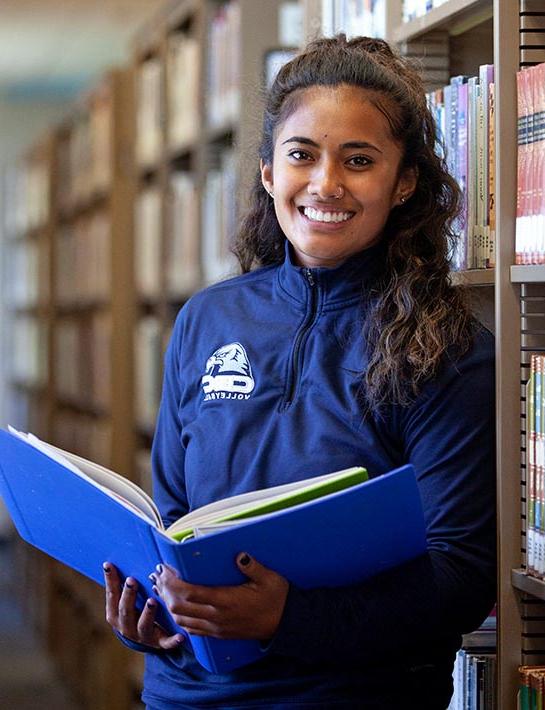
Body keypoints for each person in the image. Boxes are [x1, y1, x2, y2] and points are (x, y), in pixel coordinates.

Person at [104, 35, 496, 709]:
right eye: (301, 155)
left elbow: (459, 578)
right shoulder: (207, 319)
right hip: (184, 695)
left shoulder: (451, 349)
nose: (325, 184)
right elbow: (170, 515)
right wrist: (150, 614)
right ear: (266, 172)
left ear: (404, 182)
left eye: (359, 160)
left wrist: (288, 619)